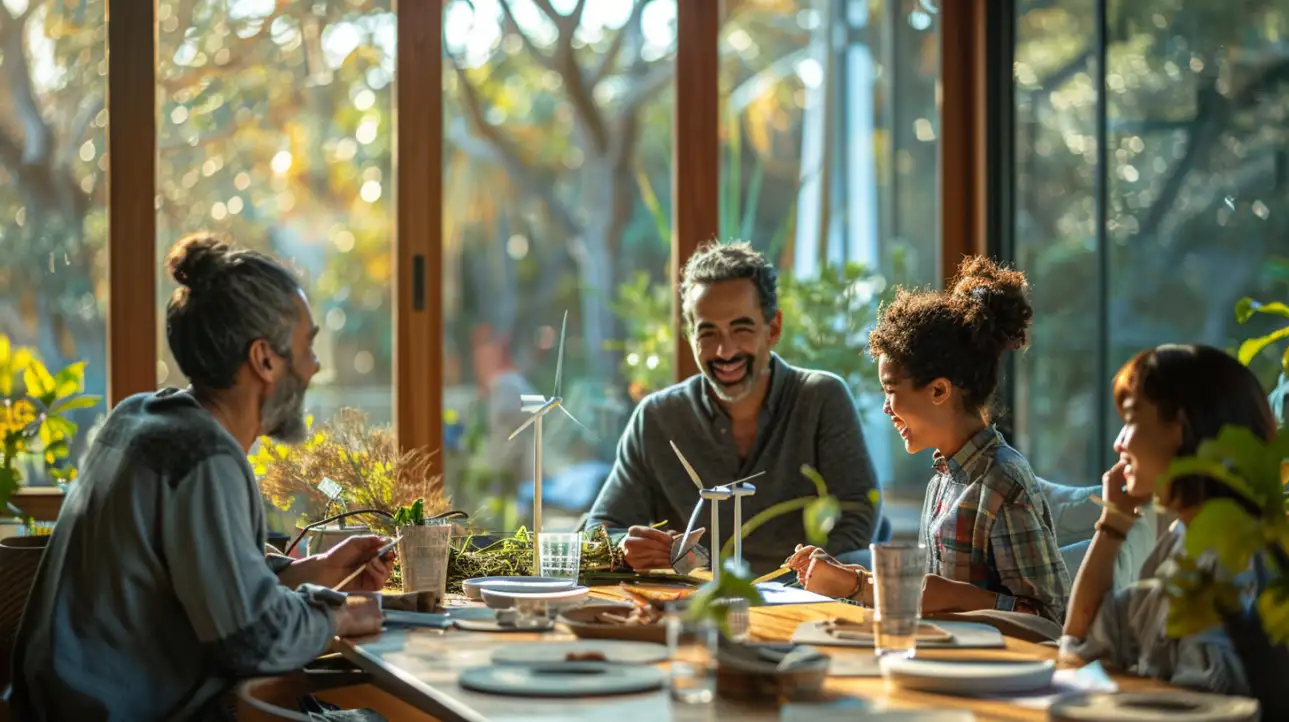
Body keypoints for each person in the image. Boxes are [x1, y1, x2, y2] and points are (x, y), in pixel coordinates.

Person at [11, 235, 393, 721]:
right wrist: (340, 613)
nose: (315, 365)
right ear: (265, 359)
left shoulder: (137, 417)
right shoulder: (202, 458)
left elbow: (197, 581)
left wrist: (313, 569)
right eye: (308, 345)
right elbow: (251, 642)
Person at [787, 257, 1070, 625]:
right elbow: (925, 599)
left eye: (890, 391)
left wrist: (862, 586)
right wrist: (844, 578)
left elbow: (1052, 621)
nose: (887, 409)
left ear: (939, 390)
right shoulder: (943, 480)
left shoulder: (1004, 482)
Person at [584, 241, 879, 574]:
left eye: (741, 329)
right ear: (690, 335)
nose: (725, 351)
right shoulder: (657, 417)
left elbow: (857, 520)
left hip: (805, 601)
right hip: (695, 605)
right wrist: (624, 548)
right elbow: (599, 530)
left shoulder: (821, 398)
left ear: (774, 329)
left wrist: (788, 582)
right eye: (707, 333)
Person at [1059, 344, 1273, 694]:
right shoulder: (1185, 537)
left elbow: (1205, 704)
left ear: (1180, 428)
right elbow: (1083, 637)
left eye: (1130, 420)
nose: (1118, 443)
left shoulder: (1229, 558)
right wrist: (1115, 521)